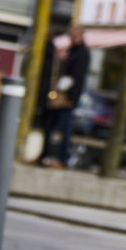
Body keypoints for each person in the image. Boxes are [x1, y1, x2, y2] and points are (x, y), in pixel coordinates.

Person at [40, 25, 88, 168]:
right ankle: (45, 156)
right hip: (63, 97)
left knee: (64, 130)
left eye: (72, 34)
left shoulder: (81, 53)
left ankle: (63, 160)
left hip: (67, 99)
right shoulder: (73, 51)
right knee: (50, 127)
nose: (69, 36)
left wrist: (72, 99)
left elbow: (78, 78)